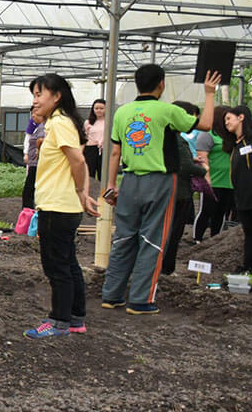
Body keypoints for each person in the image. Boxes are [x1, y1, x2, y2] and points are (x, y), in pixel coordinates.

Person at [100, 64, 220, 315]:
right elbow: (207, 124)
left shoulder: (122, 112)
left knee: (123, 238)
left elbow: (114, 152)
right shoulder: (167, 111)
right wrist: (210, 93)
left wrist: (111, 185)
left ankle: (111, 295)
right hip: (160, 182)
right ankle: (140, 300)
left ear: (137, 84)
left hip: (129, 181)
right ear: (161, 84)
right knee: (152, 240)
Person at [22, 74, 99, 339]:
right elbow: (75, 161)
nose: (35, 100)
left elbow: (78, 160)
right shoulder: (61, 122)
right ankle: (75, 318)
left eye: (39, 94)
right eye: (34, 95)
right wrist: (82, 194)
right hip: (62, 204)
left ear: (57, 96)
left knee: (56, 265)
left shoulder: (59, 123)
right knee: (68, 262)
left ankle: (59, 321)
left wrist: (81, 191)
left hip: (57, 205)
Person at [161, 102, 206, 276]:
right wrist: (203, 170)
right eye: (191, 118)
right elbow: (185, 168)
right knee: (174, 232)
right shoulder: (177, 140)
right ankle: (167, 268)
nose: (193, 122)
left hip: (167, 190)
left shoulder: (167, 137)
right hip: (178, 192)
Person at [222, 106, 252, 274]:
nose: (226, 122)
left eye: (229, 118)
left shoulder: (251, 141)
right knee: (249, 233)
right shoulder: (236, 145)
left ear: (241, 117)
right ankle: (247, 266)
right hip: (242, 198)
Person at [194, 107, 234, 241]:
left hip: (228, 181)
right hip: (213, 180)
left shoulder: (231, 136)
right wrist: (207, 179)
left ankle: (215, 239)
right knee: (206, 211)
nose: (228, 121)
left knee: (221, 212)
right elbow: (202, 158)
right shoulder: (208, 135)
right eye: (226, 118)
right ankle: (197, 239)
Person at [21, 107, 45, 211]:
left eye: (36, 114)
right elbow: (28, 137)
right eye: (32, 114)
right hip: (33, 162)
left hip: (37, 163)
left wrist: (38, 150)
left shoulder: (43, 127)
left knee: (29, 189)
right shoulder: (36, 126)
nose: (33, 116)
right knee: (29, 188)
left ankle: (28, 211)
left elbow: (42, 140)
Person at [85, 99, 107, 180]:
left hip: (104, 150)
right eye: (96, 108)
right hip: (90, 149)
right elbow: (85, 137)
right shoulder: (88, 122)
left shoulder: (109, 122)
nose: (99, 111)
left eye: (101, 108)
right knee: (90, 174)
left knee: (103, 174)